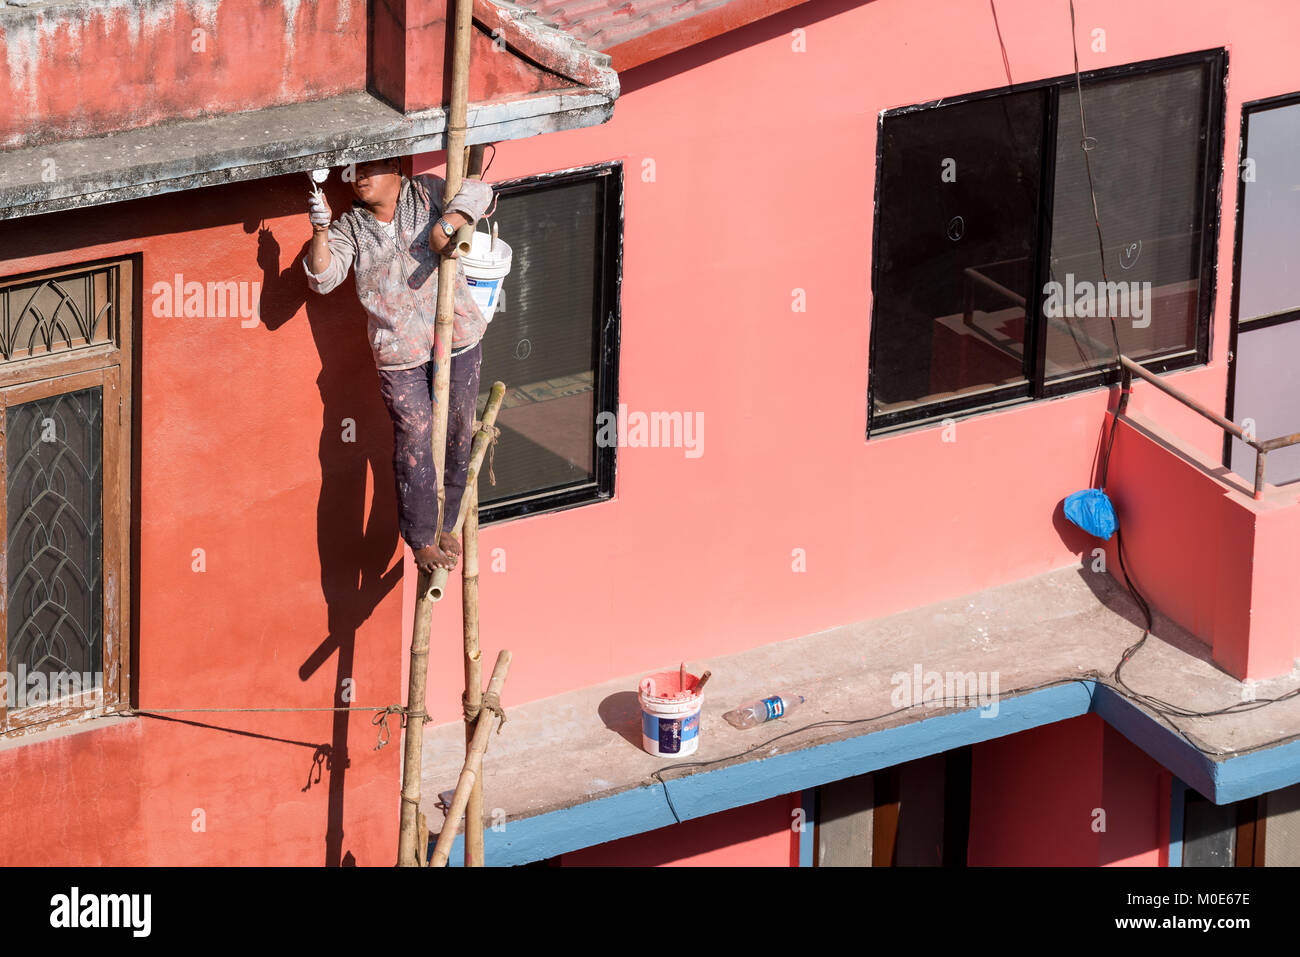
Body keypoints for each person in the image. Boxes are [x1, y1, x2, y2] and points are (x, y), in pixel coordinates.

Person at [303, 156, 495, 573]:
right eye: (351, 173)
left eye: (368, 169)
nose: (357, 179)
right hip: (398, 354)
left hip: (457, 336)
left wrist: (449, 222)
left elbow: (481, 190)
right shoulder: (349, 228)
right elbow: (322, 278)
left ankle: (448, 522)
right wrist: (319, 230)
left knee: (460, 429)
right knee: (415, 435)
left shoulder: (426, 192)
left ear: (395, 168)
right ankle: (423, 536)